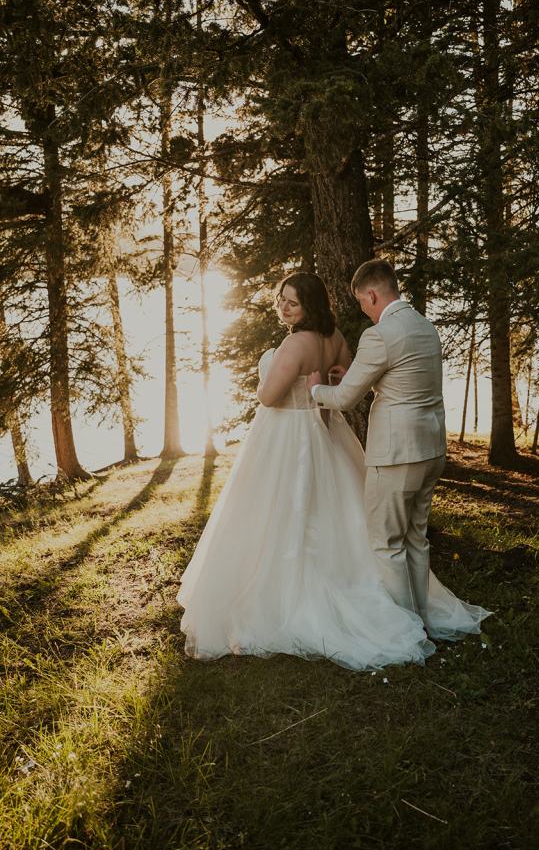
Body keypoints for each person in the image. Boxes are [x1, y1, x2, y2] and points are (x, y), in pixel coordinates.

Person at [177, 271, 436, 671]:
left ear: (308, 306)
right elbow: (347, 381)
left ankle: (287, 595)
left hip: (287, 437)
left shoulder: (295, 343)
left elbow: (269, 397)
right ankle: (404, 605)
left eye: (292, 302)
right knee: (333, 511)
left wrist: (266, 376)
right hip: (327, 435)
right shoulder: (336, 338)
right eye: (280, 299)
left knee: (277, 513)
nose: (282, 307)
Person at [308, 259, 491, 640]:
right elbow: (403, 380)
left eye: (362, 302)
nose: (364, 310)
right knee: (416, 539)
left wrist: (314, 389)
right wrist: (356, 374)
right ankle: (422, 618)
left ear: (372, 295)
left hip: (396, 455)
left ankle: (405, 632)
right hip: (430, 448)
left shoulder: (379, 335)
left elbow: (343, 399)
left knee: (387, 543)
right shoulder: (425, 327)